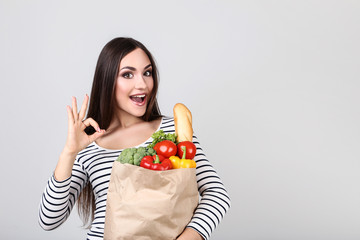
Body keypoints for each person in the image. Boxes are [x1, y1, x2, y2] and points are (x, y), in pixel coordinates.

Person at [38, 37, 230, 240]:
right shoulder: (89, 144)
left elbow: (217, 195)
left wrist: (189, 237)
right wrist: (69, 152)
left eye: (147, 73)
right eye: (128, 74)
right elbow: (49, 220)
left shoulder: (173, 131)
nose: (142, 83)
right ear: (107, 80)